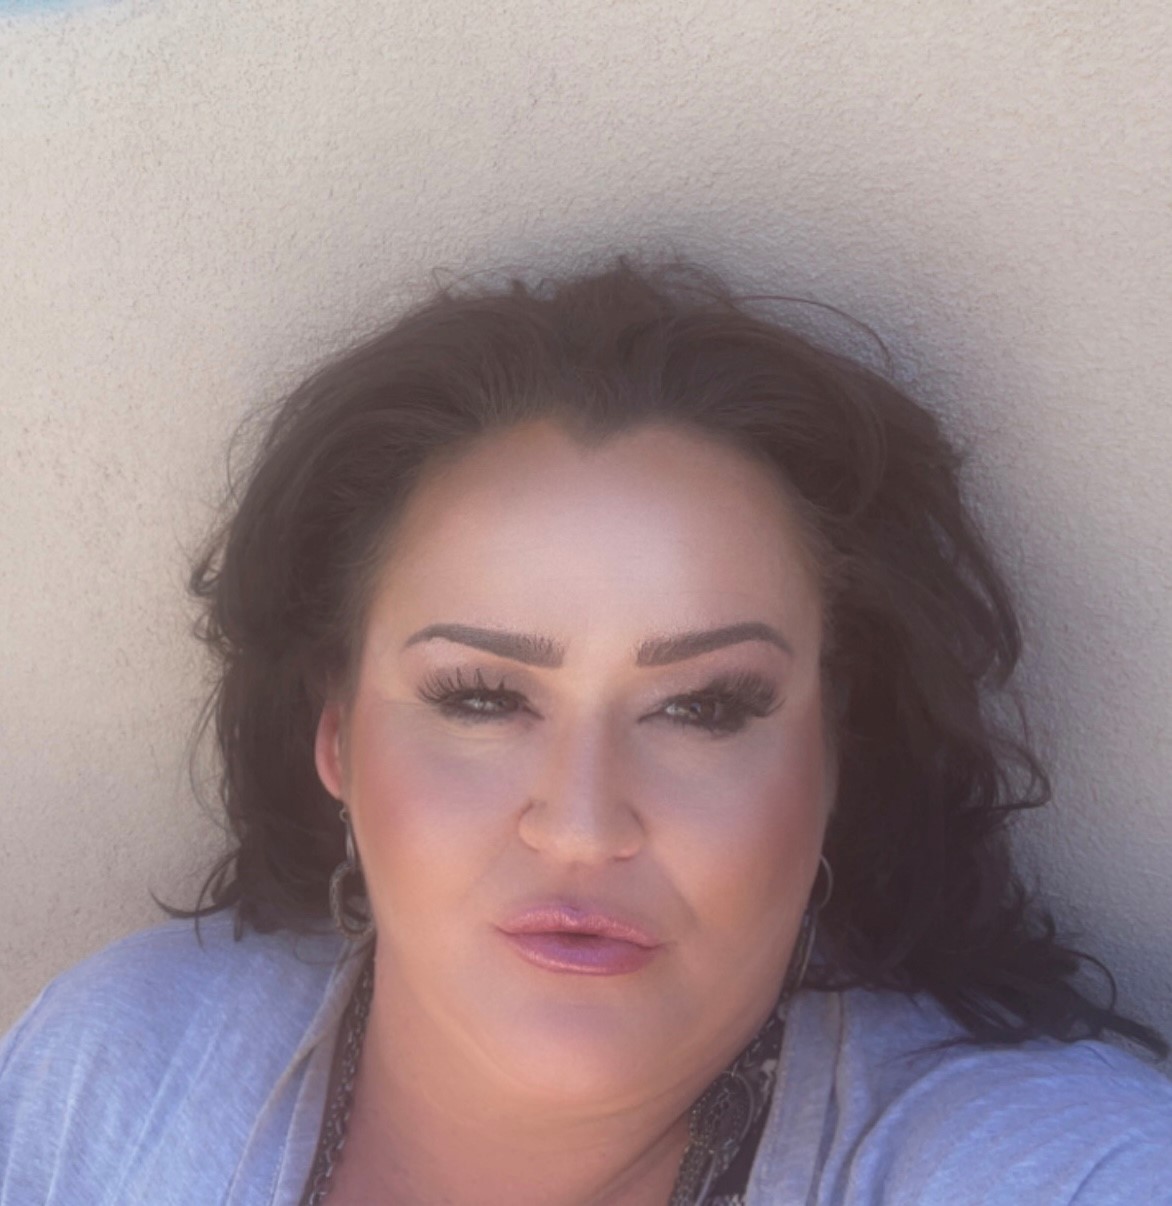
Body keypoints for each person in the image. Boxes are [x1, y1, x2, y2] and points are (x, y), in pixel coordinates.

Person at [1, 253, 1170, 1206]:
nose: (580, 822)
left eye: (703, 707)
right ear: (337, 735)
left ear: (832, 757)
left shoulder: (1061, 1172)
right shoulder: (117, 1066)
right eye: (480, 696)